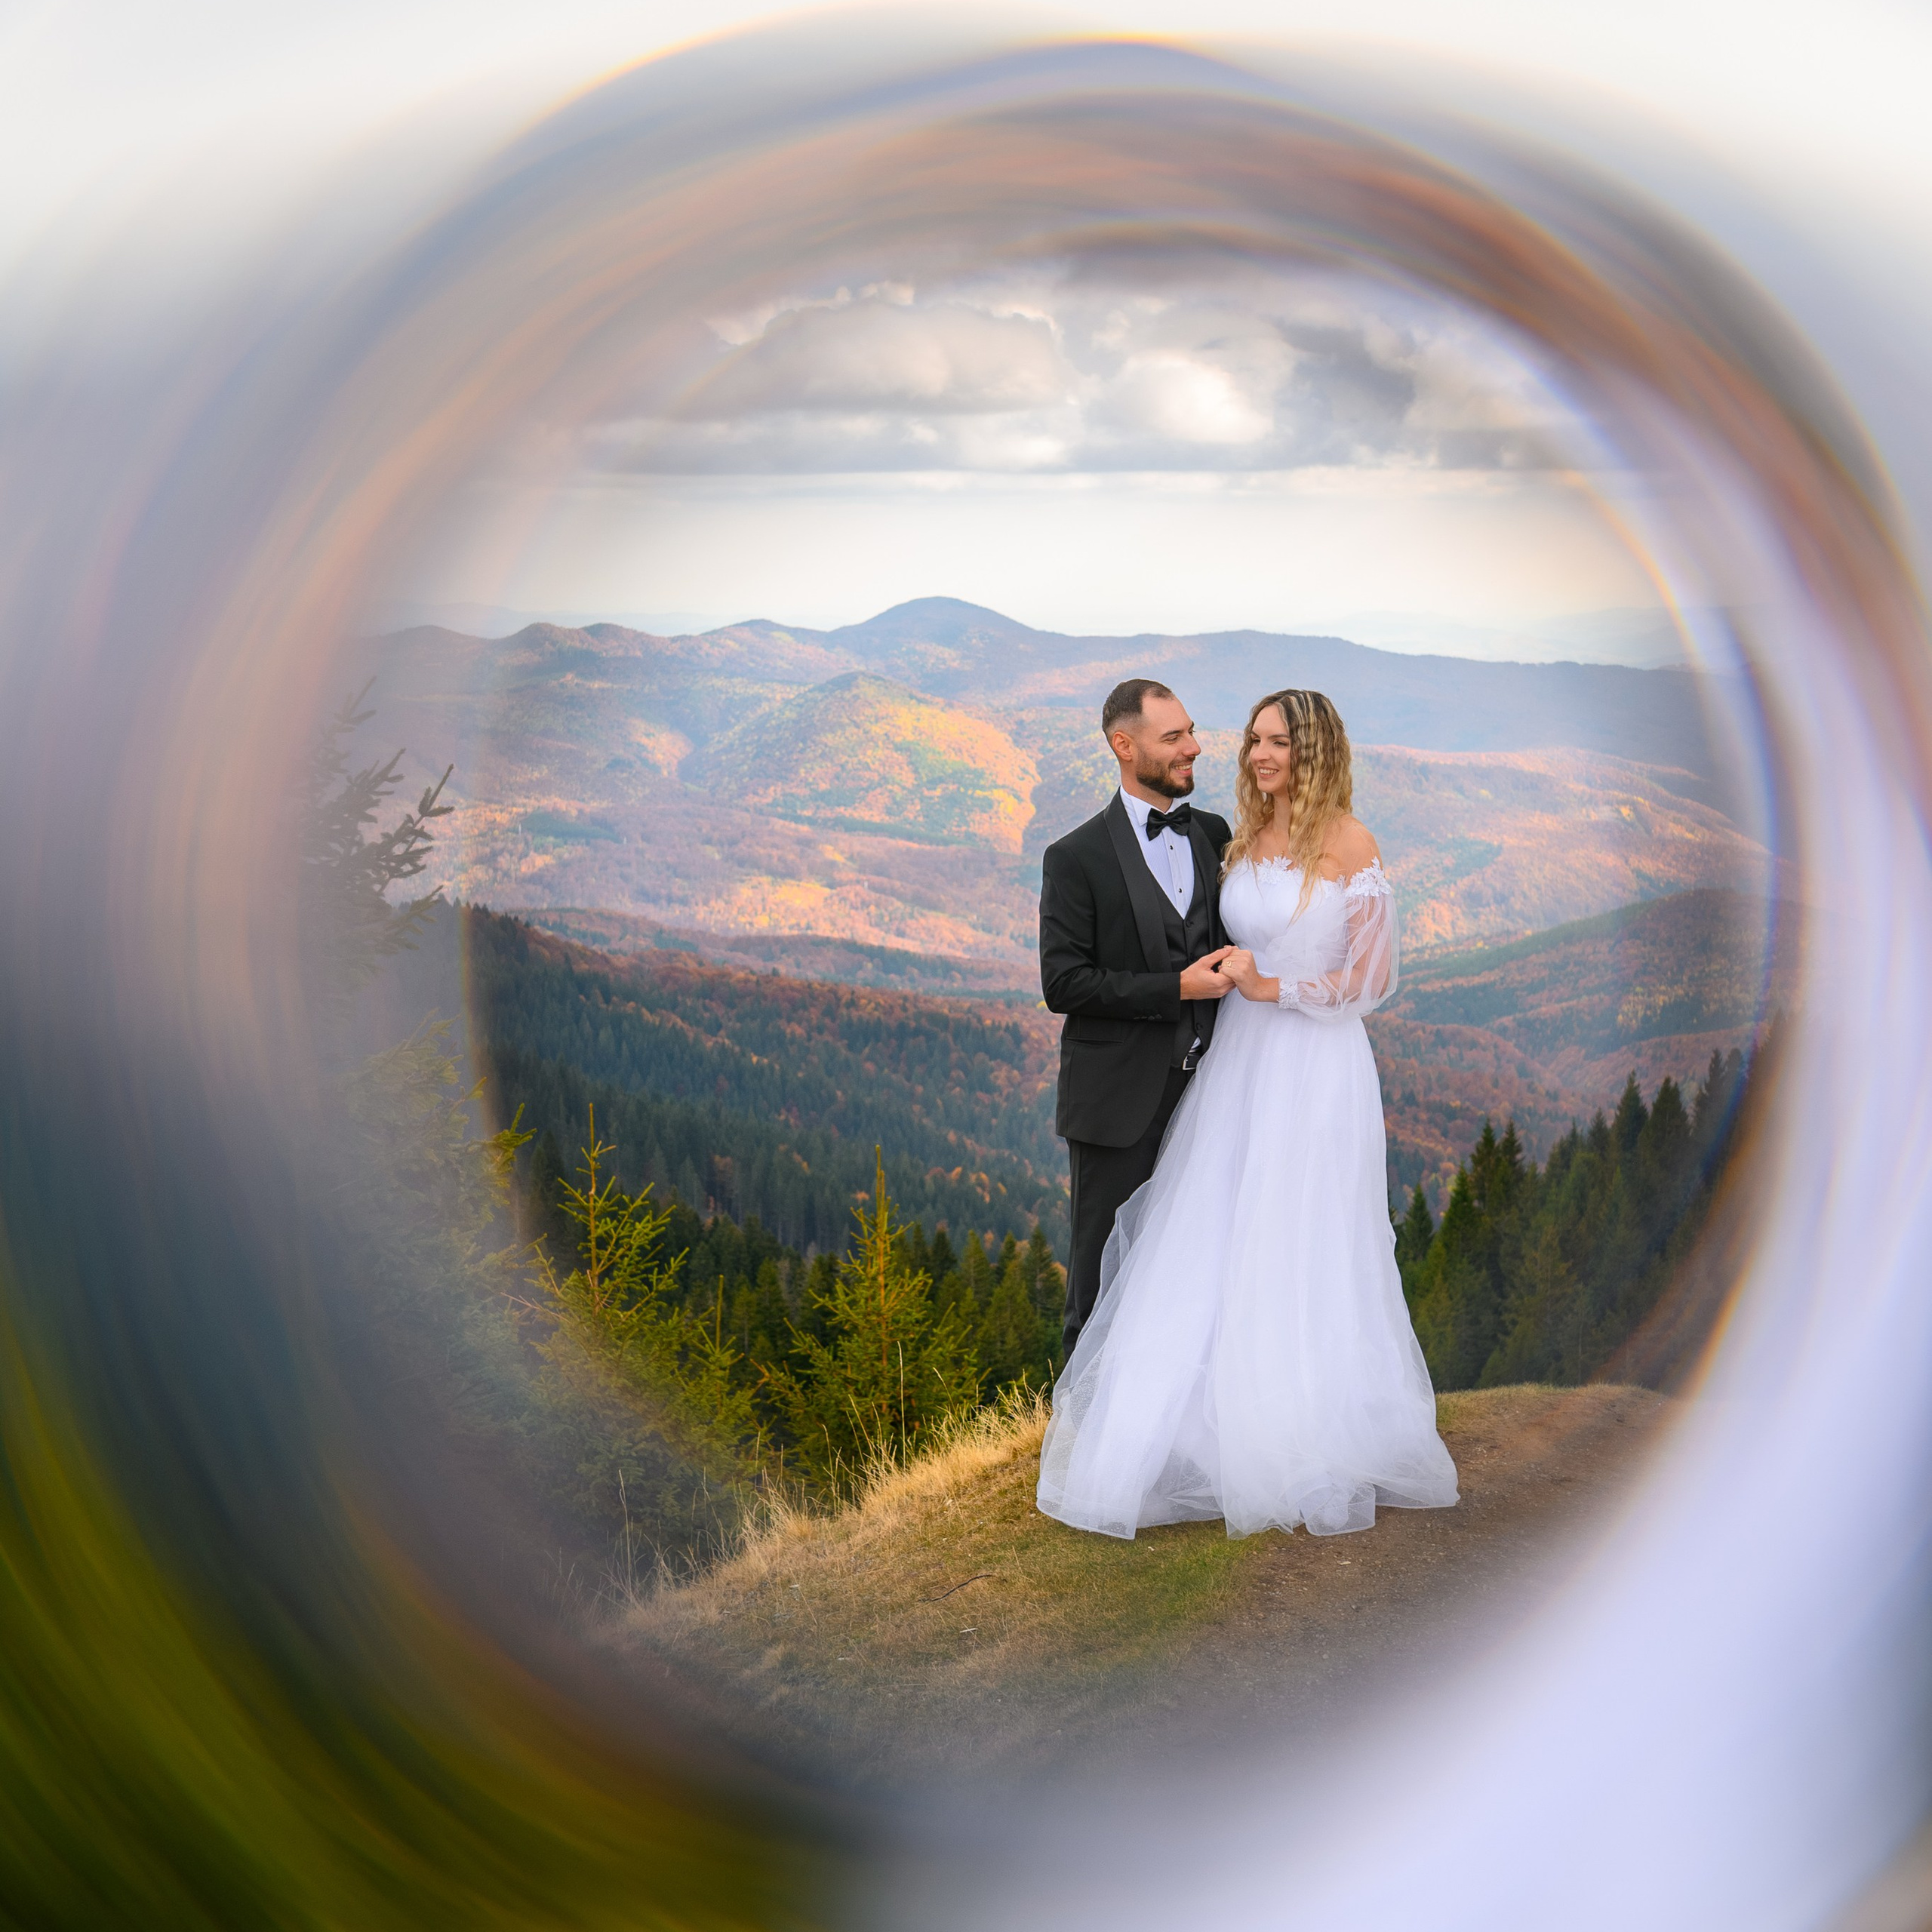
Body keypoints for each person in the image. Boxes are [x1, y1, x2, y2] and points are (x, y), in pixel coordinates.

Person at [1038, 688, 1459, 1540]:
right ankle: (1153, 1432)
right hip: (1228, 1070)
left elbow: (1370, 980)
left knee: (1300, 1239)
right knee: (1206, 1241)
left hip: (1314, 1065)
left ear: (1317, 751)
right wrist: (1206, 982)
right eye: (1255, 740)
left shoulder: (1336, 844)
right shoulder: (1213, 840)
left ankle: (1299, 1428)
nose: (1255, 754)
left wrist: (1273, 983)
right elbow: (1082, 975)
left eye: (1278, 743)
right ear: (1126, 746)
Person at [1038, 678, 1235, 1357]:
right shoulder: (1076, 858)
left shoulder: (1211, 833)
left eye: (1190, 731)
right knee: (1100, 1280)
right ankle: (1077, 1448)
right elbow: (1063, 983)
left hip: (1211, 1094)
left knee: (1197, 1268)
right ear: (1125, 747)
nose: (1194, 748)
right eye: (1173, 737)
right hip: (1117, 1104)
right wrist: (1173, 987)